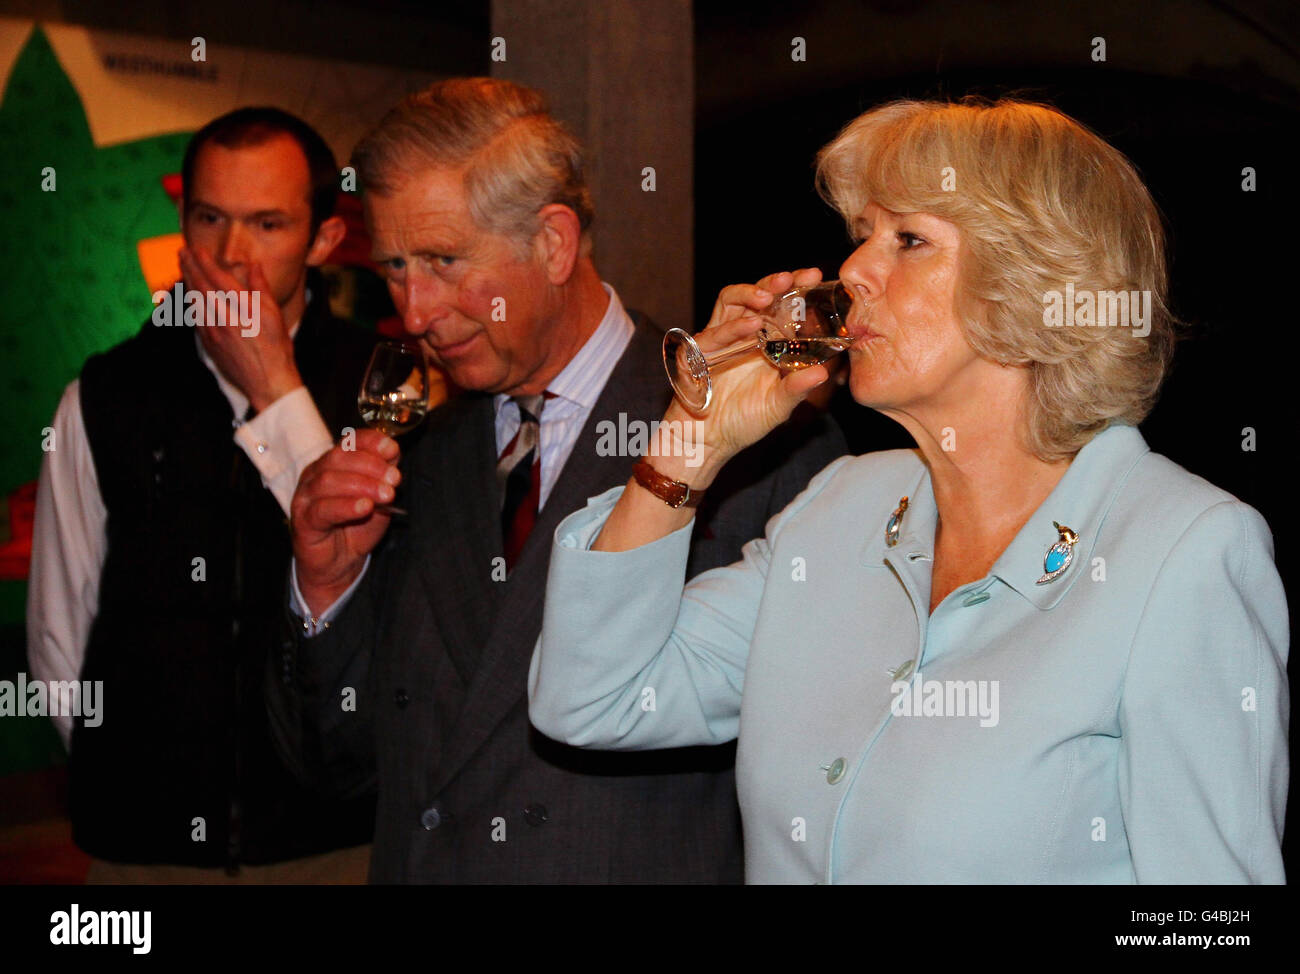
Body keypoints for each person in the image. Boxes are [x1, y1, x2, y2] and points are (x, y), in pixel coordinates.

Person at [529, 97, 1289, 884]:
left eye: (909, 239)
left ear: (1031, 282)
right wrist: (694, 439)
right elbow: (591, 700)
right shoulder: (836, 509)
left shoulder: (1181, 551)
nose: (853, 270)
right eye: (862, 238)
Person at [271, 77, 846, 883]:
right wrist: (324, 588)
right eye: (396, 268)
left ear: (552, 243)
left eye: (442, 261)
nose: (416, 310)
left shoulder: (756, 444)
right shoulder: (418, 457)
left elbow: (818, 775)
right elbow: (340, 770)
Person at [26, 107, 378, 882]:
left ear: (322, 241)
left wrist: (277, 391)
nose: (230, 254)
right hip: (142, 854)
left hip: (330, 845)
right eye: (210, 217)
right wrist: (128, 779)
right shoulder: (104, 394)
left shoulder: (382, 387)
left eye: (268, 225)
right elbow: (60, 632)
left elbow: (375, 600)